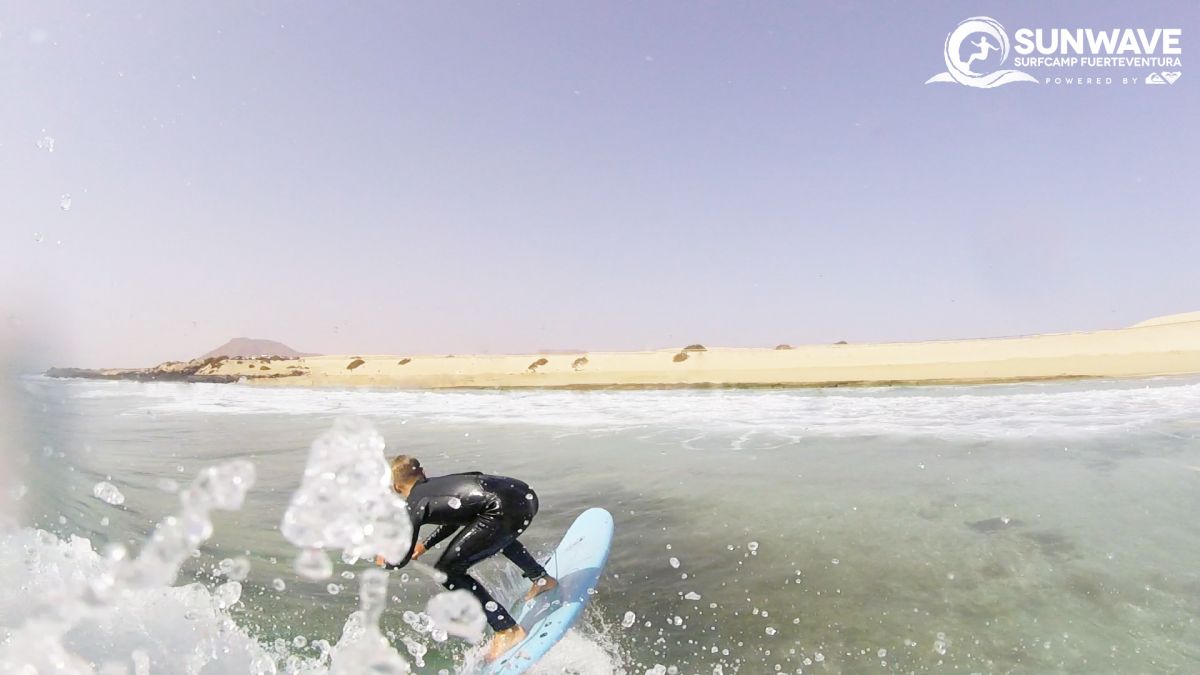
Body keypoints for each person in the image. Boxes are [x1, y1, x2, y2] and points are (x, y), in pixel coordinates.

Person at [376, 455, 559, 661]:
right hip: (524, 496)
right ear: (422, 472)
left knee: (447, 571)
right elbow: (455, 519)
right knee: (495, 534)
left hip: (502, 509)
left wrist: (385, 561)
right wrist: (426, 545)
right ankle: (541, 579)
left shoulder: (414, 502)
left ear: (396, 487)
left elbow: (400, 559)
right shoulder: (441, 485)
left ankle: (507, 630)